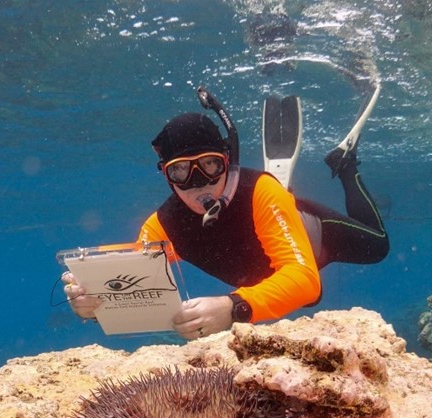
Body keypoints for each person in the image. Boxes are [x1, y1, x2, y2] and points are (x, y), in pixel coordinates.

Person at [63, 91, 389, 341]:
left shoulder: (260, 191)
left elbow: (304, 282)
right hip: (258, 260)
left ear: (225, 161)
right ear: (166, 175)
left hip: (311, 237)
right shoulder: (164, 225)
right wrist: (93, 297)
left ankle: (346, 167)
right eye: (180, 171)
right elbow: (133, 270)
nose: (198, 182)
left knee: (378, 247)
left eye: (209, 165)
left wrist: (232, 308)